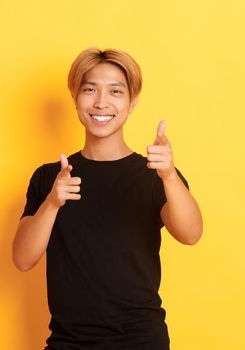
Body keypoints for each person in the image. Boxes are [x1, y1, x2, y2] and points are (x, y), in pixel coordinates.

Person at [12, 47, 203, 349]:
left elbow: (191, 234)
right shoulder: (50, 178)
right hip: (68, 341)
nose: (101, 102)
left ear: (131, 103)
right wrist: (52, 203)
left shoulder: (154, 174)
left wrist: (169, 176)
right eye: (90, 90)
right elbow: (23, 259)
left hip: (140, 340)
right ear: (75, 99)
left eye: (115, 91)